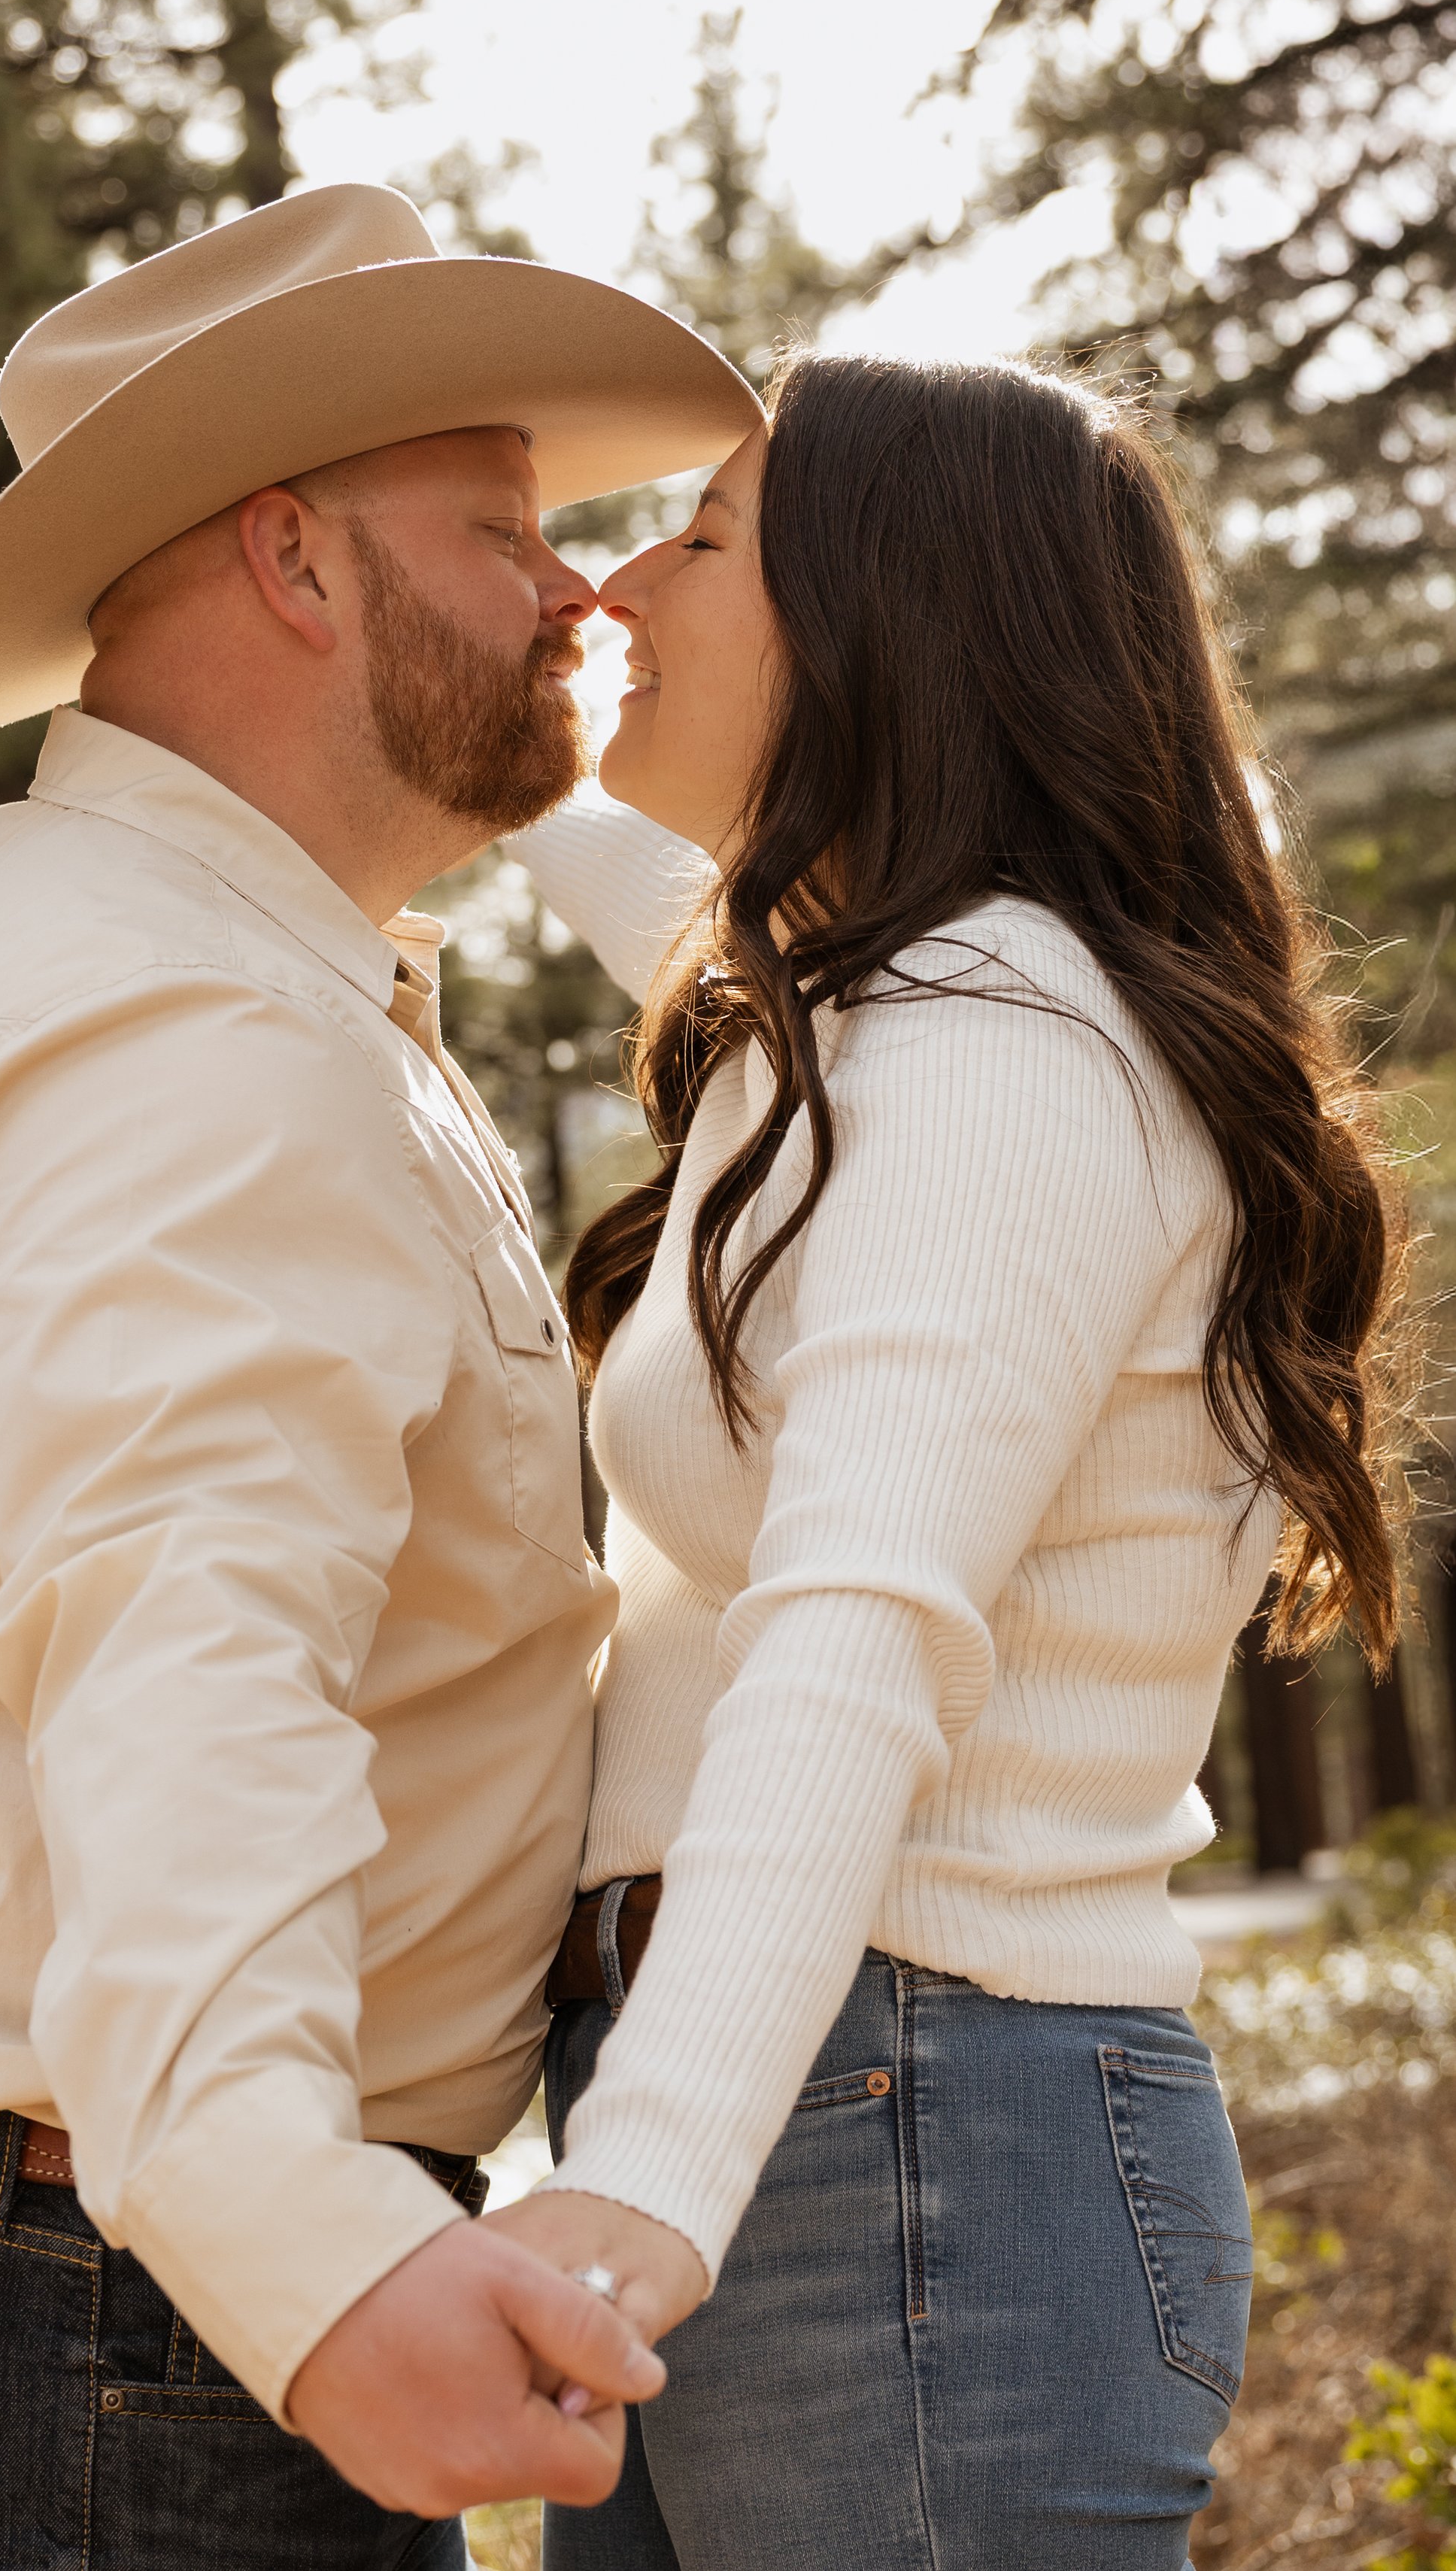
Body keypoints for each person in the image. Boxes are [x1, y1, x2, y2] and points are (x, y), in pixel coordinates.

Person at [0, 181, 760, 2568]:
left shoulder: (212, 972)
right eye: (506, 527)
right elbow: (187, 1646)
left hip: (111, 2290)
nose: (577, 591)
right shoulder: (182, 1027)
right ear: (296, 561)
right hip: (117, 2320)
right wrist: (308, 2254)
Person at [492, 352, 1405, 2570]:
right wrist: (438, 718)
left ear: (875, 619)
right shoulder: (876, 1002)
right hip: (805, 2102)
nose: (615, 580)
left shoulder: (996, 1053)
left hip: (897, 2131)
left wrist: (638, 2195)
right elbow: (644, 891)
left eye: (696, 538)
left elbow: (861, 1631)